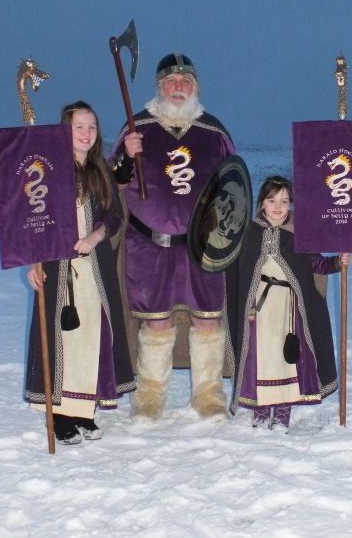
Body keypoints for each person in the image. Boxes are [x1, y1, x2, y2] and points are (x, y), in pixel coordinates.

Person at [110, 53, 235, 420]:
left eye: (186, 82)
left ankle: (208, 395)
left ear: (195, 87)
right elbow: (112, 181)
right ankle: (149, 397)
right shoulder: (138, 128)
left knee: (208, 318)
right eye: (171, 81)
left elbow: (233, 188)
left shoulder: (214, 131)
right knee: (156, 320)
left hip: (202, 247)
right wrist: (123, 157)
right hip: (149, 245)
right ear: (159, 86)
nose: (178, 87)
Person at [25, 101, 135, 444]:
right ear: (65, 130)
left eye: (91, 127)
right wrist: (33, 261)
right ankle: (59, 414)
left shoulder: (100, 169)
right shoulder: (48, 170)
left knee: (93, 337)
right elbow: (32, 220)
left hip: (95, 268)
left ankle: (82, 410)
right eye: (79, 127)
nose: (87, 133)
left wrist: (95, 235)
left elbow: (115, 216)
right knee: (64, 339)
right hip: (59, 269)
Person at [225, 175, 351, 431]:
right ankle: (260, 413)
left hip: (289, 310)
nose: (278, 207)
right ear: (261, 203)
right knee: (261, 359)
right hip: (259, 310)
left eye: (284, 201)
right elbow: (233, 269)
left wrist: (339, 262)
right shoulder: (247, 234)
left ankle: (282, 414)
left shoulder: (298, 235)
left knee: (287, 359)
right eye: (272, 200)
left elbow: (316, 264)